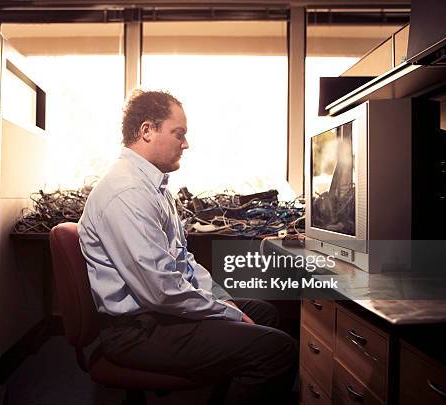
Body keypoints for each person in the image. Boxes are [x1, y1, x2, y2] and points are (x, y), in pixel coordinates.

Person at [78, 90, 298, 404]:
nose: (186, 143)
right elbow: (161, 290)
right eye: (178, 133)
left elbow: (183, 262)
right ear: (147, 131)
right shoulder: (126, 191)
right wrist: (224, 311)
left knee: (265, 314)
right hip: (135, 332)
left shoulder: (153, 187)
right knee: (278, 351)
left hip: (156, 315)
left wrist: (222, 299)